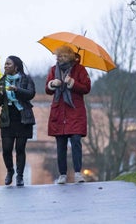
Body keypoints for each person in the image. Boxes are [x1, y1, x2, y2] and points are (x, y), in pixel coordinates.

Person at [45, 45, 91, 184]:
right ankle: (62, 174)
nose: (60, 59)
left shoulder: (80, 69)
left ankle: (77, 173)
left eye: (64, 56)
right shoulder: (54, 70)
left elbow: (87, 87)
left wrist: (72, 82)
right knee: (60, 144)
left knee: (76, 140)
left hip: (75, 111)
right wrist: (53, 83)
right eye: (59, 56)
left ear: (71, 56)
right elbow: (47, 89)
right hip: (59, 111)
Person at [0, 56, 36, 187]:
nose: (5, 66)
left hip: (23, 117)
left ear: (16, 66)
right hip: (8, 119)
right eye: (5, 64)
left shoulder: (26, 79)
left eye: (8, 64)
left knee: (20, 148)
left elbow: (31, 94)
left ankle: (20, 176)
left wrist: (17, 90)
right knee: (6, 149)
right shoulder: (1, 81)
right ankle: (10, 171)